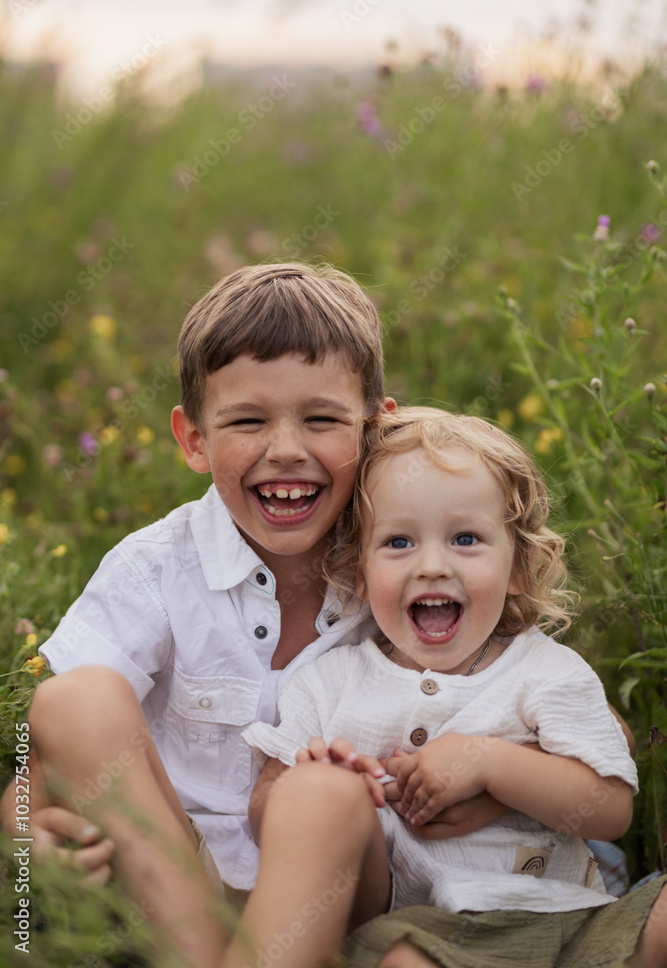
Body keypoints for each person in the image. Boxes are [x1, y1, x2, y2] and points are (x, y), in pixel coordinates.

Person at [0, 261, 395, 967]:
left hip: (335, 899)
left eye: (322, 418)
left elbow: (528, 680)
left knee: (327, 796)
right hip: (172, 890)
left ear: (374, 427)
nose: (285, 450)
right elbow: (38, 764)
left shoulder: (404, 564)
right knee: (73, 697)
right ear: (193, 439)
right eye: (247, 420)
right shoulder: (156, 568)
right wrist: (25, 842)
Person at [226, 407, 667, 968]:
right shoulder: (329, 682)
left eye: (465, 538)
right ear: (359, 572)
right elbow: (266, 810)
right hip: (426, 935)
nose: (432, 565)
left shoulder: (546, 671)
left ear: (520, 569)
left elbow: (610, 809)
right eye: (399, 543)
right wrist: (316, 782)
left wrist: (487, 761)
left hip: (573, 923)